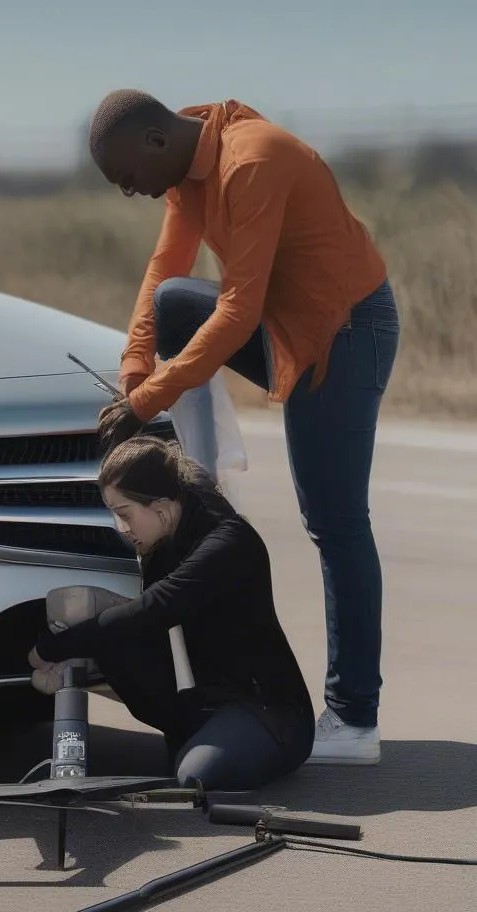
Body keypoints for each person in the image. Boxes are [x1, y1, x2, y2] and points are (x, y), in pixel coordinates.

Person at [84, 89, 399, 765]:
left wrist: (147, 403)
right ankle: (202, 480)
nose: (128, 192)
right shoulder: (187, 168)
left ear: (155, 144)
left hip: (342, 333)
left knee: (337, 524)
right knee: (173, 303)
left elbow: (236, 309)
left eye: (126, 178)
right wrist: (136, 366)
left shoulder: (249, 161)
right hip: (285, 323)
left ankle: (355, 719)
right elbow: (165, 272)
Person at [28, 435, 315, 791]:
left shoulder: (228, 545)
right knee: (98, 618)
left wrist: (52, 647)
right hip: (204, 700)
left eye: (124, 515)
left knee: (197, 776)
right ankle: (196, 736)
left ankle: (219, 744)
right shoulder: (167, 535)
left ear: (161, 508)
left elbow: (154, 610)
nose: (123, 529)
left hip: (268, 714)